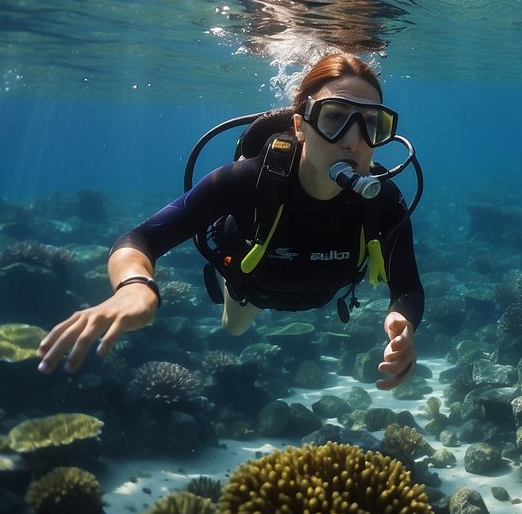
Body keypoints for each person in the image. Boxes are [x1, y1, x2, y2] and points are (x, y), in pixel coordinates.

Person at [36, 53, 422, 390]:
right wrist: (134, 287)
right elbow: (139, 239)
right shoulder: (245, 181)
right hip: (248, 288)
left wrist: (401, 321)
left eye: (372, 123)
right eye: (334, 117)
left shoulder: (384, 199)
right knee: (234, 329)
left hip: (323, 294)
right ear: (299, 125)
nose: (353, 141)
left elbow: (407, 287)